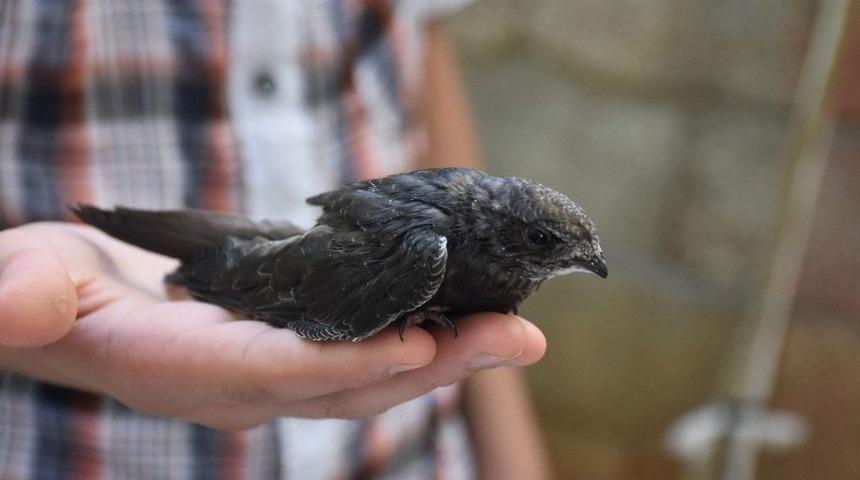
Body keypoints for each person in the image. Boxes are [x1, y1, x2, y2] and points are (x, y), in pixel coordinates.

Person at [0, 1, 551, 478]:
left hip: (413, 452)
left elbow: (423, 59)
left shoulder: (483, 241)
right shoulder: (417, 253)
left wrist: (513, 457)